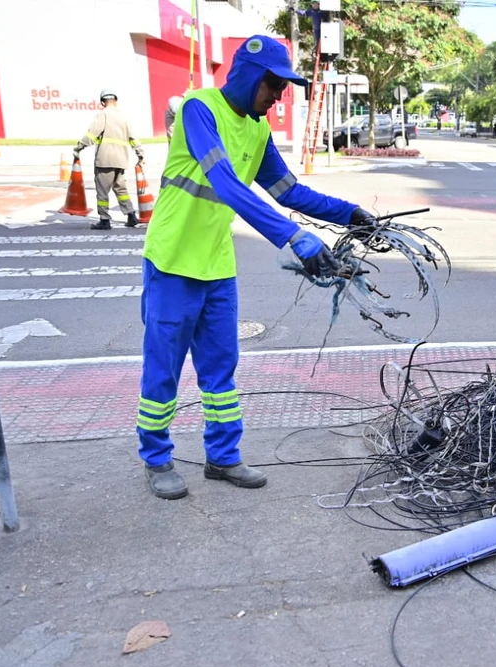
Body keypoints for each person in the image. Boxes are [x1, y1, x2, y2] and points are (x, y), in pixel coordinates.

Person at [137, 34, 376, 500]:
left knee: (220, 369)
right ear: (249, 76)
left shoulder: (258, 130)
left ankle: (223, 457)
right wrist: (295, 237)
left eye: (283, 88)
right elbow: (226, 183)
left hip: (216, 265)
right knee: (163, 367)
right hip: (172, 260)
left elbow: (289, 192)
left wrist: (350, 214)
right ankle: (157, 457)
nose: (278, 97)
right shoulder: (199, 110)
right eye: (274, 85)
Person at [75, 90, 144, 230]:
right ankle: (131, 215)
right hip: (121, 160)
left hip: (105, 159)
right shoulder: (124, 117)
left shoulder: (103, 115)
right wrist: (140, 154)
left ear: (102, 102)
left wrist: (79, 147)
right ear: (116, 101)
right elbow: (133, 138)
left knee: (102, 191)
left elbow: (91, 135)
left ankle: (104, 220)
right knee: (121, 189)